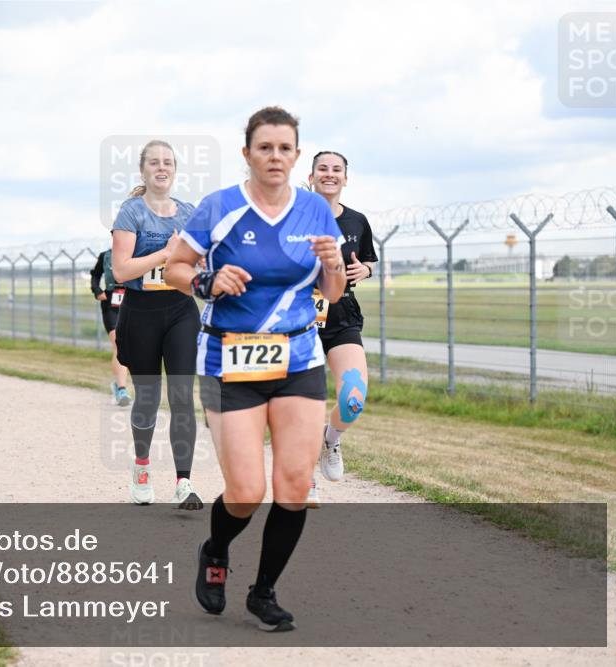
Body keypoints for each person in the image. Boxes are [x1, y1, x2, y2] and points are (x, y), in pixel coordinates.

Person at [164, 106, 346, 631]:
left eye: (285, 148)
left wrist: (334, 267)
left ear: (296, 156)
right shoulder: (218, 207)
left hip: (298, 358)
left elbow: (329, 293)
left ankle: (263, 592)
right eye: (264, 147)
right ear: (247, 154)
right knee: (246, 491)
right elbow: (176, 267)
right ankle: (216, 548)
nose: (275, 157)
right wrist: (207, 282)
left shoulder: (315, 210)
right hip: (229, 359)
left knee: (293, 487)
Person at [112, 139, 203, 511]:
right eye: (154, 162)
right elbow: (121, 270)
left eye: (167, 162)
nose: (161, 167)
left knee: (182, 397)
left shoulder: (190, 213)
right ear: (143, 170)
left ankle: (184, 483)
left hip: (180, 309)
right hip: (141, 312)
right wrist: (165, 254)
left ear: (175, 170)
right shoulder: (131, 211)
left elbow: (200, 262)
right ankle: (142, 467)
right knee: (148, 398)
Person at [309, 151, 378, 494]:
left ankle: (330, 440)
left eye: (337, 169)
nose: (330, 174)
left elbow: (368, 262)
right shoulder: (293, 217)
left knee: (353, 399)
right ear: (312, 175)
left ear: (346, 178)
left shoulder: (357, 221)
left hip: (342, 317)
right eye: (323, 168)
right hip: (298, 319)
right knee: (301, 405)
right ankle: (301, 471)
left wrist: (366, 269)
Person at [90, 248, 131, 406]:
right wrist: (97, 290)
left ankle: (120, 384)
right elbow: (95, 274)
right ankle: (121, 390)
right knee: (118, 344)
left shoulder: (137, 252)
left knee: (131, 347)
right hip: (111, 304)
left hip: (132, 302)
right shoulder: (105, 255)